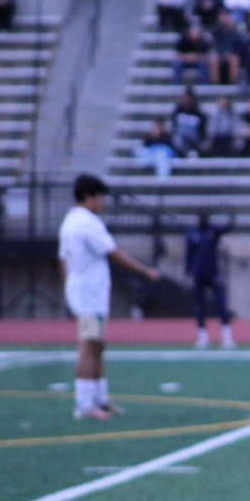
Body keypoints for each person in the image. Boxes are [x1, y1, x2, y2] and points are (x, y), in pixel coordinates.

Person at [58, 174, 160, 420]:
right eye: (101, 196)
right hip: (89, 293)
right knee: (89, 344)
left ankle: (100, 398)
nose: (103, 202)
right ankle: (84, 404)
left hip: (84, 290)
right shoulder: (87, 223)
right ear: (89, 197)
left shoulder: (69, 221)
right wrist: (145, 270)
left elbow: (63, 259)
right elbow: (113, 252)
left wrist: (68, 288)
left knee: (98, 344)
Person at [186, 213, 236, 349]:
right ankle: (202, 336)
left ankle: (227, 335)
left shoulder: (212, 231)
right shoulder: (192, 234)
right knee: (199, 306)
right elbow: (189, 254)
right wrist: (188, 271)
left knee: (221, 304)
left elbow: (226, 229)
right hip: (198, 275)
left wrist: (232, 219)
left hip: (213, 273)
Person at [209, 11, 244, 85]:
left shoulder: (236, 31)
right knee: (214, 59)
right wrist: (223, 53)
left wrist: (232, 29)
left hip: (233, 53)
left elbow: (239, 45)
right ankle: (215, 84)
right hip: (220, 53)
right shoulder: (218, 29)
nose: (227, 19)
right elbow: (214, 43)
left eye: (229, 18)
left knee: (234, 59)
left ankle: (233, 83)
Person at [170, 91, 207, 155]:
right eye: (185, 99)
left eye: (189, 99)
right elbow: (174, 126)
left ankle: (192, 151)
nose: (187, 101)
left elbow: (202, 130)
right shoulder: (178, 110)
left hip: (194, 139)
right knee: (177, 139)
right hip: (181, 139)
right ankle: (182, 153)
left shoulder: (198, 112)